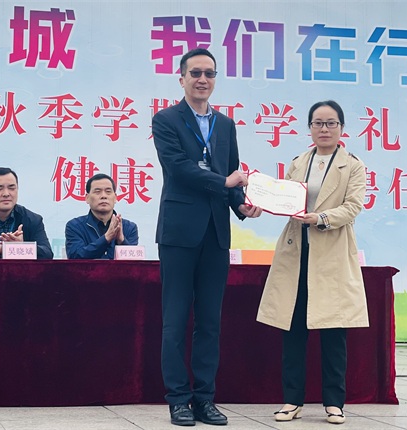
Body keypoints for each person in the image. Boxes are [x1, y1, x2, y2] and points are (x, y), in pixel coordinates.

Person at [152, 48, 262, 427]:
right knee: (175, 320)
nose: (202, 79)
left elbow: (231, 174)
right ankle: (178, 400)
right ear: (181, 78)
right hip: (179, 233)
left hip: (216, 233)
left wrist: (241, 205)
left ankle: (204, 399)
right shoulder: (166, 119)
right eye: (195, 73)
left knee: (210, 322)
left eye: (209, 74)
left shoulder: (225, 125)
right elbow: (178, 168)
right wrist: (225, 182)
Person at [256, 100, 368, 425]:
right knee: (293, 332)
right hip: (297, 254)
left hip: (331, 254)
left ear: (342, 128)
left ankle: (334, 403)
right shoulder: (298, 162)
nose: (324, 129)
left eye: (331, 123)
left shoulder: (353, 165)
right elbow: (284, 198)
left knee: (333, 332)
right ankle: (292, 401)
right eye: (318, 123)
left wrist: (320, 218)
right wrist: (261, 200)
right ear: (309, 128)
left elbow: (353, 206)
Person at [65, 173, 139, 259]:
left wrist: (121, 241)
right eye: (97, 192)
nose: (103, 196)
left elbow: (134, 262)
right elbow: (75, 257)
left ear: (115, 198)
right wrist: (106, 238)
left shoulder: (129, 227)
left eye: (108, 192)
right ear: (87, 198)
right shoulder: (75, 226)